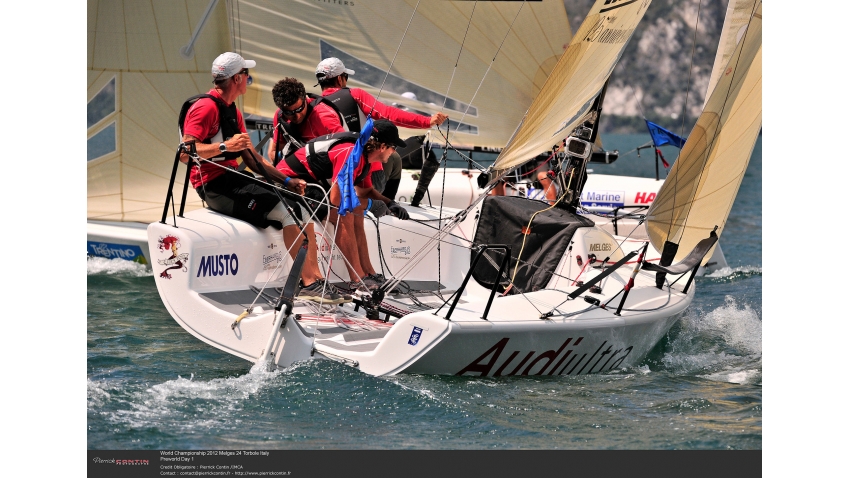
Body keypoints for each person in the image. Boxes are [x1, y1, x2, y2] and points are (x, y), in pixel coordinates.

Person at [180, 52, 348, 304]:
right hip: (213, 185)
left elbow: (252, 160)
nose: (249, 78)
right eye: (246, 74)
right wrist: (225, 147)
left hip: (233, 177)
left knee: (301, 205)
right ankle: (309, 283)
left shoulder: (231, 110)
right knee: (286, 210)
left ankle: (316, 280)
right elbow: (184, 152)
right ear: (237, 78)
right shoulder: (205, 107)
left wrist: (287, 181)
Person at [276, 119, 408, 292]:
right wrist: (370, 204)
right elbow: (337, 201)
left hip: (310, 184)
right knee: (344, 214)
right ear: (382, 146)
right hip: (290, 184)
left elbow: (366, 191)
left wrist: (390, 203)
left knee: (357, 211)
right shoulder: (350, 153)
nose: (393, 152)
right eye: (394, 148)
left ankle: (368, 273)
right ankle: (357, 279)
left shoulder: (364, 156)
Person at [315, 57, 448, 205]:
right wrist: (427, 121)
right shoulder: (355, 95)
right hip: (365, 178)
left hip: (328, 181)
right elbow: (387, 114)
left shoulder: (315, 108)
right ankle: (385, 206)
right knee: (394, 158)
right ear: (340, 79)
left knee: (393, 157)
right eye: (346, 77)